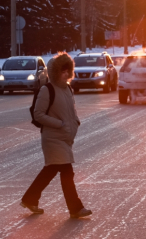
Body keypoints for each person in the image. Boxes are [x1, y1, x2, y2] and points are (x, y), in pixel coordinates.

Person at [20, 52, 92, 219]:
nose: (65, 74)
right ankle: (75, 208)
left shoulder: (67, 88)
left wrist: (75, 122)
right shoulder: (47, 89)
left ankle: (29, 199)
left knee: (50, 171)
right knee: (67, 172)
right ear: (55, 72)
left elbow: (69, 110)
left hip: (65, 138)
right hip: (53, 138)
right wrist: (60, 124)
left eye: (68, 70)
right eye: (62, 71)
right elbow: (38, 114)